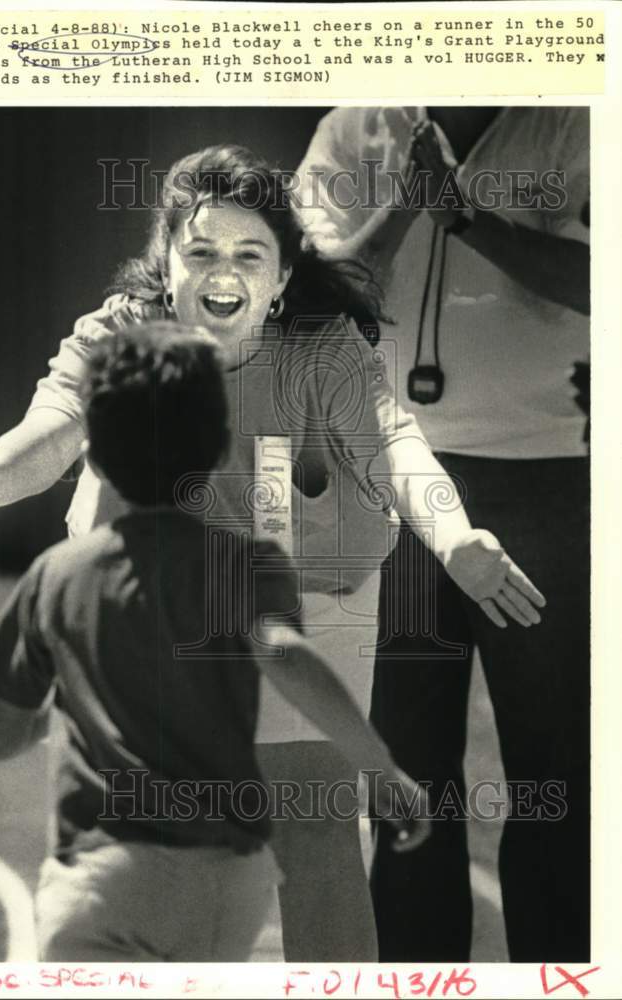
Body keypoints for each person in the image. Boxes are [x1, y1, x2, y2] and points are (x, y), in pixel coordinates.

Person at [0, 143, 545, 961]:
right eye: (200, 250)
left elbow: (394, 444)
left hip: (311, 590)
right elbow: (57, 423)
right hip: (157, 601)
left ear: (278, 280)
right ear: (167, 267)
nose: (222, 271)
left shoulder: (323, 348)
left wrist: (456, 539)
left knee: (315, 842)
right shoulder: (125, 336)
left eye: (248, 253)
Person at [0, 321, 431, 961]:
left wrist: (42, 716)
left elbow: (1, 738)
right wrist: (379, 767)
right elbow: (291, 661)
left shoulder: (54, 578)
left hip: (99, 875)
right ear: (218, 449)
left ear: (96, 462)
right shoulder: (243, 567)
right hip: (220, 878)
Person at [295, 106, 590, 961]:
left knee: (556, 771)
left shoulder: (574, 120)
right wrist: (407, 202)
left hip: (538, 475)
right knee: (402, 772)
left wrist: (465, 215)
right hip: (383, 475)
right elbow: (309, 290)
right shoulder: (357, 127)